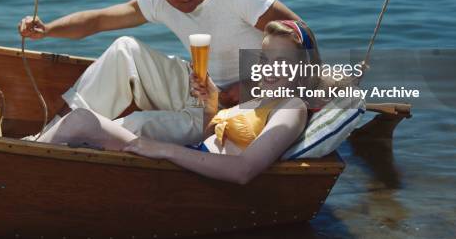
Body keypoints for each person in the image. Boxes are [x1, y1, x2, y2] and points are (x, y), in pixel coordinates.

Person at [19, 0, 300, 145]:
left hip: (232, 105)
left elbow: (302, 38)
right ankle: (46, 138)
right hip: (197, 87)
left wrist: (251, 85)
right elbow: (99, 20)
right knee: (124, 49)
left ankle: (59, 146)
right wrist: (47, 30)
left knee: (134, 124)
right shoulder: (159, 2)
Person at [35, 20, 350, 184]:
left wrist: (162, 149)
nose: (268, 68)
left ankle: (26, 163)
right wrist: (210, 100)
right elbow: (210, 135)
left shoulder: (291, 108)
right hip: (189, 157)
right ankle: (32, 160)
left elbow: (243, 170)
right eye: (265, 58)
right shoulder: (265, 98)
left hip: (188, 172)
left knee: (81, 122)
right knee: (82, 124)